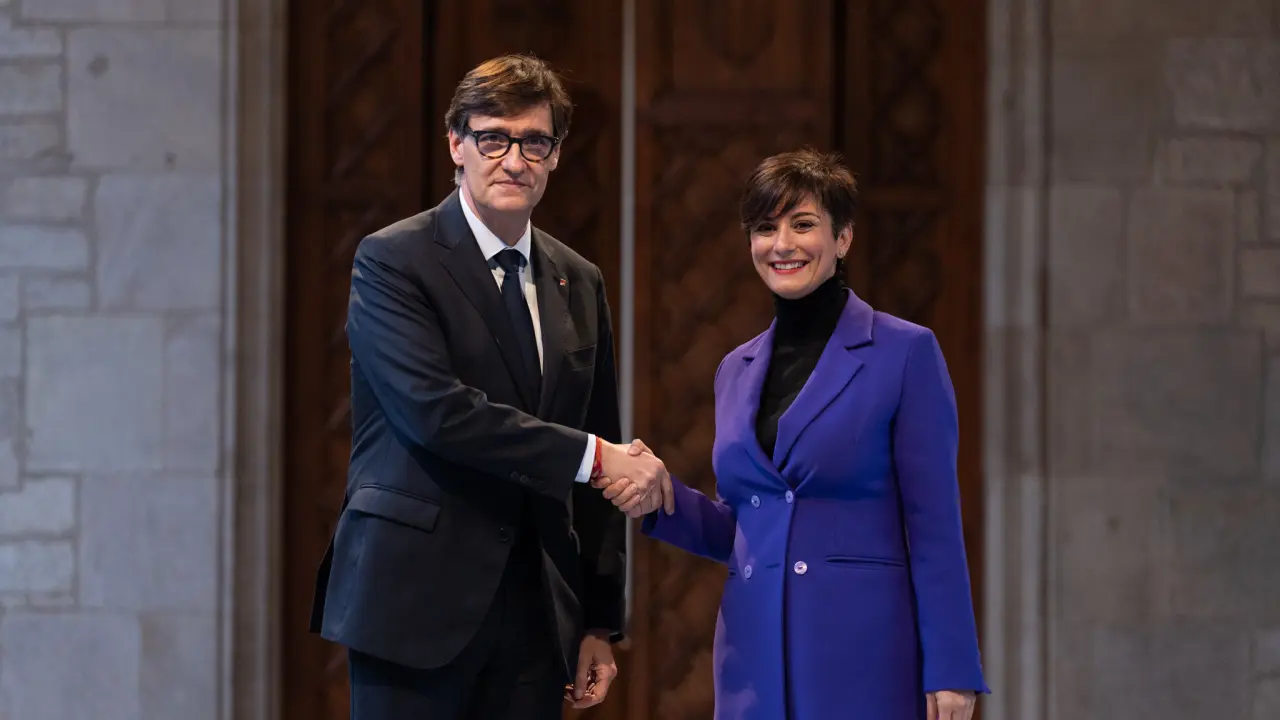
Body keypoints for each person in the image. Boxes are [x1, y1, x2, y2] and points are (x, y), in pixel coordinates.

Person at [309, 54, 673, 720]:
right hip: (413, 602)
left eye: (534, 142)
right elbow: (438, 414)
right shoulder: (393, 260)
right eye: (493, 139)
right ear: (457, 144)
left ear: (555, 155)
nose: (514, 160)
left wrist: (599, 621)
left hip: (536, 612)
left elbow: (595, 436)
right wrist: (597, 457)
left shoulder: (578, 278)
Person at [597, 149, 988, 719]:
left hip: (864, 657)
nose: (782, 244)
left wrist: (952, 669)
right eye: (764, 228)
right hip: (753, 659)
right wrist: (663, 498)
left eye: (802, 224)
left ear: (843, 238)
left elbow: (935, 526)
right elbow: (749, 526)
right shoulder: (734, 369)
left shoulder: (906, 352)